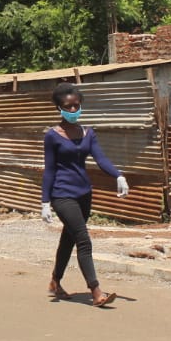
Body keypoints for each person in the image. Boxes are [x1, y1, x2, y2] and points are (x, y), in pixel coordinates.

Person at [41, 82, 129, 308]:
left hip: (83, 194)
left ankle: (55, 281)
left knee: (68, 239)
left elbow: (101, 159)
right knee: (83, 240)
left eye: (76, 106)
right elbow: (49, 169)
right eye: (67, 107)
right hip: (62, 195)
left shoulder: (88, 133)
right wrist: (45, 202)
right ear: (59, 108)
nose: (72, 110)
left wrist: (118, 176)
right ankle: (96, 291)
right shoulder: (52, 136)